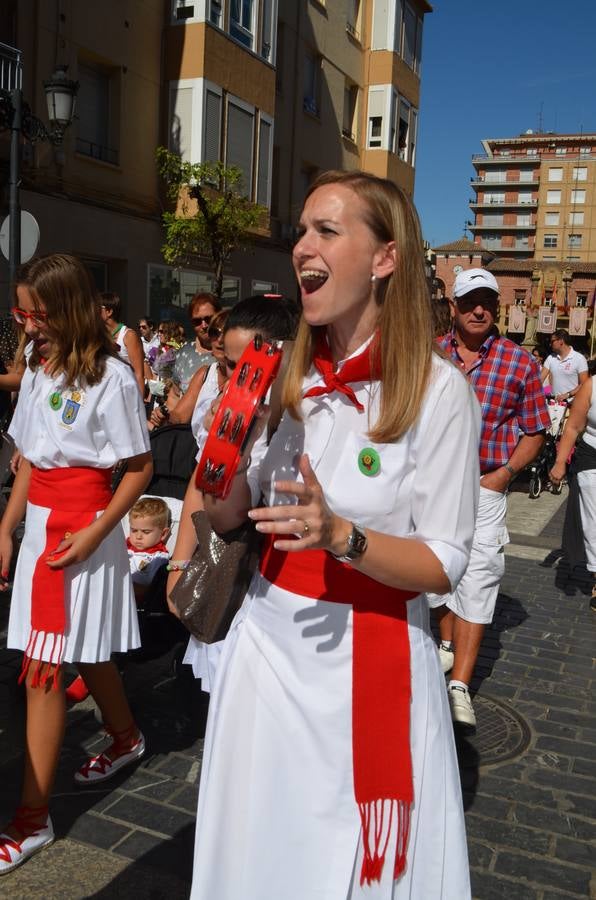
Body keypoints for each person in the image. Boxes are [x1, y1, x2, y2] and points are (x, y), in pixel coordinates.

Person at [186, 170, 480, 899]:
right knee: (260, 851)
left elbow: (444, 563)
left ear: (384, 258)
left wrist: (343, 535)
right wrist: (227, 445)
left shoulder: (439, 391)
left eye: (327, 230)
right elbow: (228, 518)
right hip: (267, 650)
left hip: (368, 652)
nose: (302, 247)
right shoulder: (282, 375)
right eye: (301, 230)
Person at [0, 254, 152, 875]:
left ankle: (32, 819)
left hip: (84, 534)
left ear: (63, 308)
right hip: (42, 530)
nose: (26, 326)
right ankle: (126, 737)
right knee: (84, 652)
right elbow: (31, 459)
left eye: (31, 313)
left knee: (44, 669)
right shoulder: (37, 366)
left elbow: (138, 468)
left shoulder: (113, 378)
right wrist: (7, 527)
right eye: (20, 313)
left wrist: (94, 534)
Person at [433, 268, 551, 728]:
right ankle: (445, 645)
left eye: (487, 301)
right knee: (437, 573)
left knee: (480, 576)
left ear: (496, 308)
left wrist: (505, 474)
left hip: (486, 486)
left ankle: (461, 682)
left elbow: (536, 429)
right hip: (436, 487)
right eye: (469, 301)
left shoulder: (518, 362)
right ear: (454, 307)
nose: (478, 310)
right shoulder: (432, 355)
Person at [167, 297, 298, 689]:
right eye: (230, 366)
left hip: (291, 593)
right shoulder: (226, 416)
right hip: (235, 580)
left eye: (255, 369)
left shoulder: (305, 419)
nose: (240, 380)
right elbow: (210, 501)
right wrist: (178, 564)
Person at [550, 374, 596, 611]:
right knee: (594, 522)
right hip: (592, 459)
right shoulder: (592, 385)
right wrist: (560, 462)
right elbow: (574, 426)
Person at [173, 292, 220, 393]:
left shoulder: (228, 354)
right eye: (197, 321)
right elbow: (175, 395)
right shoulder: (183, 353)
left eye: (208, 319)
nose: (204, 325)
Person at [127, 497, 171, 598]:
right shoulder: (123, 547)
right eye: (134, 530)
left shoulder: (158, 558)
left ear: (163, 533)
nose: (138, 536)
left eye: (146, 532)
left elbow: (151, 589)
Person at [541, 329, 588, 403]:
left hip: (572, 403)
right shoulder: (550, 357)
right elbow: (540, 379)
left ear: (561, 341)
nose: (550, 344)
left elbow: (584, 384)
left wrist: (568, 394)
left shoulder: (579, 358)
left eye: (552, 341)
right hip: (554, 403)